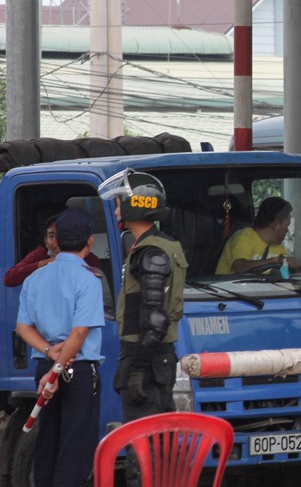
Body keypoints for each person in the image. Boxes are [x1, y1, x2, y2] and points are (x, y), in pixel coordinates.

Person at [98, 168, 187, 486]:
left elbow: (155, 319)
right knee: (161, 450)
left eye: (121, 203)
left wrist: (136, 367)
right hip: (160, 359)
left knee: (142, 453)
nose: (118, 209)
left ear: (138, 205)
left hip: (145, 360)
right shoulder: (165, 244)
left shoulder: (149, 252)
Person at [15, 207, 104, 487]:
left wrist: (49, 352)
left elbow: (23, 328)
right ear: (89, 241)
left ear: (56, 240)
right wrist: (59, 362)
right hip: (75, 372)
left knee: (47, 442)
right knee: (74, 449)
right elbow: (79, 334)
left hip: (46, 367)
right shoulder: (88, 279)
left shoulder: (34, 279)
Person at [4, 213, 100, 287]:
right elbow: (9, 278)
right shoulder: (41, 253)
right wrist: (46, 263)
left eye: (60, 236)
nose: (56, 241)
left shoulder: (83, 255)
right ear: (46, 242)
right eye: (51, 236)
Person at [215, 196, 297, 274]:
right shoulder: (244, 237)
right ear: (275, 225)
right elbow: (240, 268)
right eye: (286, 225)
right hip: (230, 288)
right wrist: (275, 261)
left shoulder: (279, 248)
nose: (287, 230)